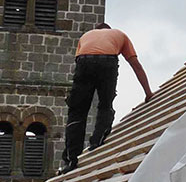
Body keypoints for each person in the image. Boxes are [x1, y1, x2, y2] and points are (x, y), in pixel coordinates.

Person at [60, 22, 153, 173]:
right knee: (105, 105)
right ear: (108, 30)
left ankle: (70, 160)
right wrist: (148, 93)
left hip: (84, 60)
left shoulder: (86, 36)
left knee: (77, 113)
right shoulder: (120, 34)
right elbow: (136, 65)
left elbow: (79, 63)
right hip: (107, 60)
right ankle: (96, 141)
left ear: (97, 31)